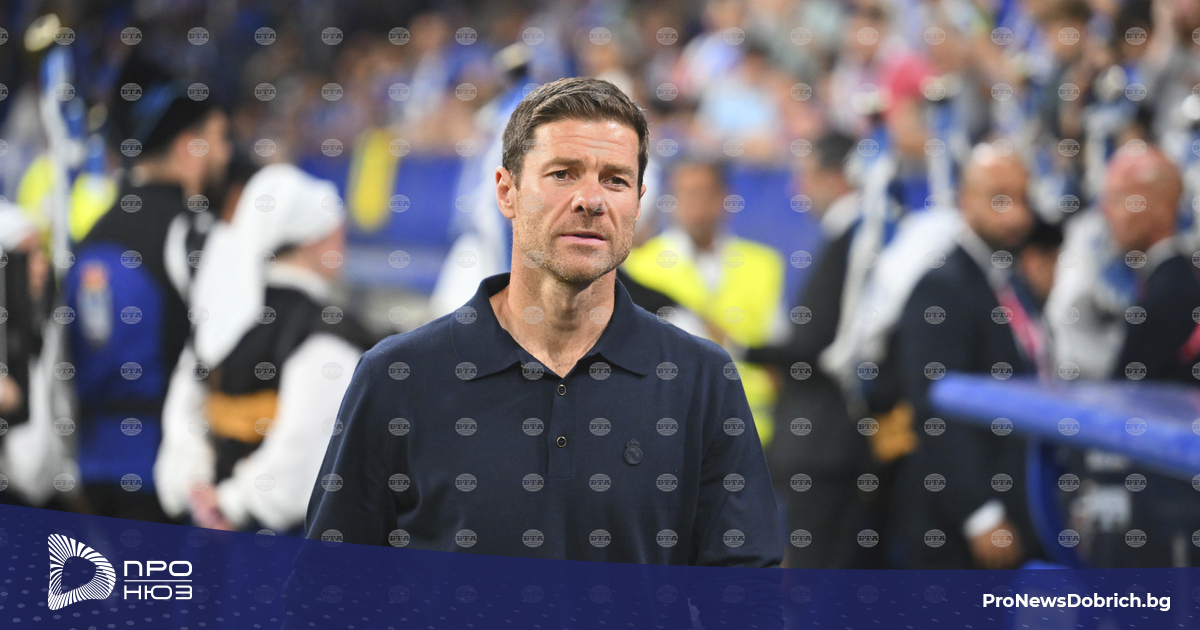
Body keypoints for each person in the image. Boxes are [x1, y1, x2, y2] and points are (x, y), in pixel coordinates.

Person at [305, 78, 782, 590]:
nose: (590, 200)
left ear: (638, 204)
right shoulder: (397, 377)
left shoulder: (702, 379)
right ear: (506, 191)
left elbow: (745, 594)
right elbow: (327, 593)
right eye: (562, 174)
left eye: (615, 180)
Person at [155, 164, 373, 535]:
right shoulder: (326, 333)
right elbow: (303, 453)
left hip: (204, 530)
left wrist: (198, 490)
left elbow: (182, 417)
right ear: (312, 240)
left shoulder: (220, 320)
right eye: (337, 233)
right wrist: (233, 504)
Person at [62, 55, 231, 522]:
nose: (224, 154)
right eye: (218, 138)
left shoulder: (91, 236)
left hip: (91, 470)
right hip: (168, 476)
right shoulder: (196, 235)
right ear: (188, 147)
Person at [893, 145, 1044, 569]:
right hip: (958, 534)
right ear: (965, 201)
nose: (1016, 215)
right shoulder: (943, 286)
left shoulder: (1008, 281)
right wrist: (980, 514)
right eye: (1000, 198)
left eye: (1023, 199)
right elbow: (934, 408)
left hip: (1017, 507)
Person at [739, 131, 873, 568]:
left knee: (814, 579)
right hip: (827, 445)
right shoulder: (851, 238)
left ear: (835, 177)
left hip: (824, 446)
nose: (798, 190)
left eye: (806, 176)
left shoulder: (853, 239)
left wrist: (741, 348)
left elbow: (815, 345)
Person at [622, 156, 787, 446]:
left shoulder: (763, 264)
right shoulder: (638, 267)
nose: (695, 203)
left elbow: (779, 351)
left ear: (724, 198)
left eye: (704, 192)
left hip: (756, 432)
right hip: (674, 431)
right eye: (686, 193)